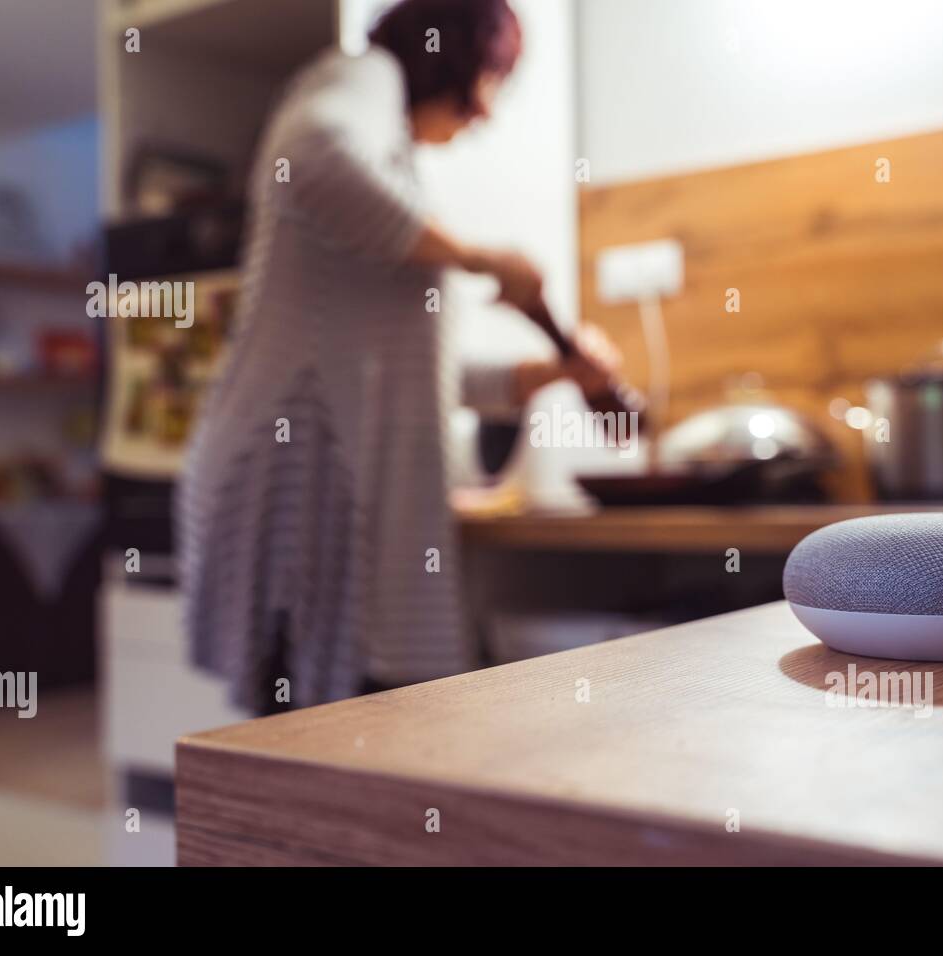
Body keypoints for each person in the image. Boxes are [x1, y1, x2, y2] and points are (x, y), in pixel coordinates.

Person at [177, 0, 619, 713]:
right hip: (295, 480)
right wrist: (482, 259)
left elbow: (422, 378)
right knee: (315, 737)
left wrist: (556, 373)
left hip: (325, 480)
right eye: (493, 79)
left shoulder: (395, 168)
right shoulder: (360, 76)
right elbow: (309, 160)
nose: (487, 112)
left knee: (334, 731)